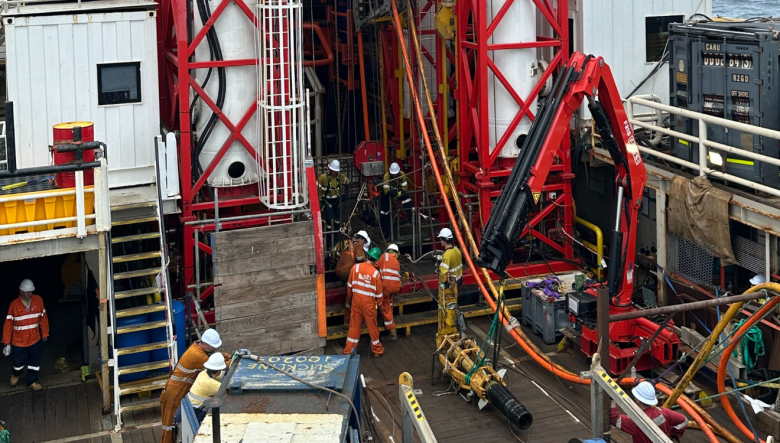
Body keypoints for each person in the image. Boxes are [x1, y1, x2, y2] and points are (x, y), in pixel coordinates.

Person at [160, 329, 231, 443]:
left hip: (178, 390)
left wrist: (225, 356)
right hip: (174, 394)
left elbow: (215, 358)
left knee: (174, 425)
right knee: (170, 427)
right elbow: (220, 366)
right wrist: (231, 359)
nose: (216, 349)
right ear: (206, 345)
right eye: (214, 347)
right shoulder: (197, 355)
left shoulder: (198, 346)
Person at [2, 279, 49, 391]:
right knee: (18, 363)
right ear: (21, 292)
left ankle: (32, 381)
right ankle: (15, 374)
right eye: (27, 292)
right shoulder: (14, 305)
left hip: (35, 339)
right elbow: (8, 325)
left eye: (30, 292)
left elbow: (43, 318)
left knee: (34, 363)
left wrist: (45, 332)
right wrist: (6, 343)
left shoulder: (38, 301)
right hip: (19, 342)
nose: (29, 294)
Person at [610, 381, 688, 443]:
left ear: (638, 400)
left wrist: (612, 400)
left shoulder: (636, 421)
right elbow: (684, 420)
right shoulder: (664, 412)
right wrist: (672, 434)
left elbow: (615, 419)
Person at [343, 247, 384, 358]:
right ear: (376, 261)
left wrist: (350, 300)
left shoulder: (355, 268)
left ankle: (348, 351)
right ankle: (377, 350)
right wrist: (379, 306)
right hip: (369, 304)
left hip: (356, 301)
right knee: (372, 327)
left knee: (354, 327)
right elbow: (379, 295)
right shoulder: (375, 274)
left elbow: (349, 287)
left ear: (367, 256)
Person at [174, 353, 226, 425]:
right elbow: (226, 390)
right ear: (218, 371)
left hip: (185, 408)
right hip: (193, 412)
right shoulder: (209, 383)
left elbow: (221, 375)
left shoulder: (203, 373)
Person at [344, 230, 372, 329]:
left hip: (352, 277)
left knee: (350, 301)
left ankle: (348, 322)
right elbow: (360, 260)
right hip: (356, 278)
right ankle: (357, 322)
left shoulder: (351, 245)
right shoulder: (358, 247)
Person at [380, 162, 413, 237]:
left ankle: (411, 219)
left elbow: (405, 187)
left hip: (399, 192)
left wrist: (400, 193)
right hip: (389, 194)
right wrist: (394, 193)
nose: (394, 175)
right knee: (384, 211)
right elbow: (386, 190)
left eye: (396, 174)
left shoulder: (402, 175)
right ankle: (385, 232)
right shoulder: (386, 176)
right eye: (393, 174)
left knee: (408, 200)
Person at [318, 159, 350, 232]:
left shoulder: (340, 176)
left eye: (336, 171)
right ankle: (329, 239)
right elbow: (316, 188)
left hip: (337, 201)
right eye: (333, 171)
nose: (335, 173)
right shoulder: (323, 177)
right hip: (327, 201)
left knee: (337, 220)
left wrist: (346, 193)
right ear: (330, 170)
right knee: (329, 221)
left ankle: (336, 238)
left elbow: (347, 182)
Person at [378, 244, 401, 342]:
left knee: (385, 307)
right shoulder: (396, 262)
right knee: (389, 302)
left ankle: (392, 333)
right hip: (395, 288)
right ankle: (390, 309)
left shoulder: (383, 256)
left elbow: (376, 264)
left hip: (386, 287)